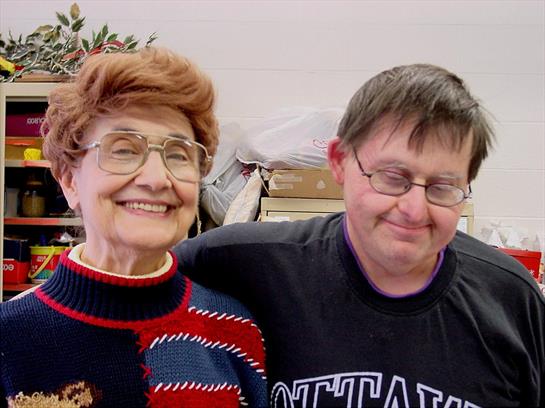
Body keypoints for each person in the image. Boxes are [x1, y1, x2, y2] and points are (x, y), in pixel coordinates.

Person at [174, 64, 545, 407]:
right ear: (339, 161)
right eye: (392, 177)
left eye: (442, 186)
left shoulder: (511, 300)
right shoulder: (245, 262)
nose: (414, 209)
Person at [0, 47, 267, 407]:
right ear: (69, 180)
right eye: (124, 149)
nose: (157, 179)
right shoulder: (10, 338)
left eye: (178, 154)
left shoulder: (234, 331)